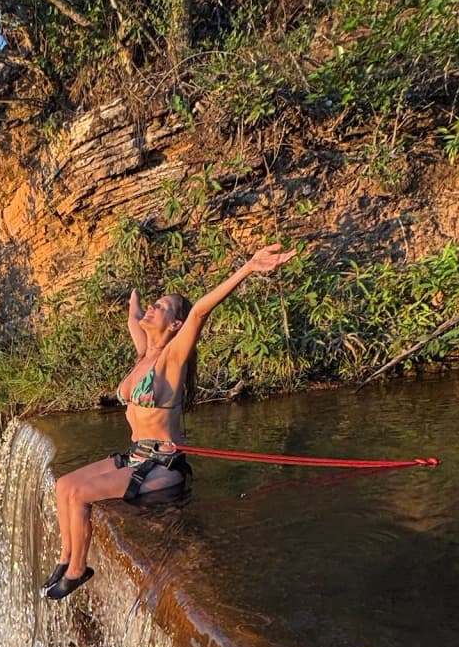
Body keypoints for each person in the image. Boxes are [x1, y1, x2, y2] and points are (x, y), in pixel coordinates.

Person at [43, 242, 297, 600]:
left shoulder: (172, 359)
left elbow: (199, 314)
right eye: (153, 303)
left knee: (81, 495)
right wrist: (135, 300)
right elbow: (133, 317)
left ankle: (78, 570)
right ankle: (66, 556)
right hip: (137, 455)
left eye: (160, 307)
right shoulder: (144, 352)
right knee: (65, 486)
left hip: (161, 465)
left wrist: (248, 268)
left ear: (175, 324)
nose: (151, 308)